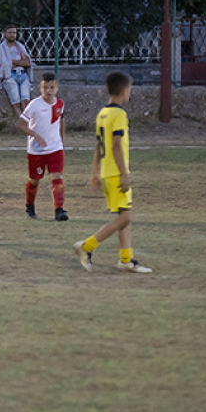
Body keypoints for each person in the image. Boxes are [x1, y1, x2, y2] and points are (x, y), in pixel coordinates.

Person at [74, 71, 152, 273]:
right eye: (130, 89)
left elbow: (99, 145)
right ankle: (86, 246)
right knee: (125, 218)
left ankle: (126, 259)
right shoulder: (119, 114)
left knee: (124, 214)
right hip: (116, 173)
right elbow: (116, 145)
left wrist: (94, 172)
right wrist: (124, 174)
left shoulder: (102, 113)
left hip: (106, 172)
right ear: (124, 91)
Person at [17, 72, 67, 221]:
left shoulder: (60, 104)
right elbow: (21, 124)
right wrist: (36, 136)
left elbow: (61, 121)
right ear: (40, 88)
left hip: (55, 148)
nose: (48, 90)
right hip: (36, 151)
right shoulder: (34, 105)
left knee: (57, 177)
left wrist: (61, 140)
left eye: (52, 87)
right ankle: (30, 206)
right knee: (35, 180)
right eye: (45, 87)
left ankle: (59, 210)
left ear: (57, 88)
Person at [0, 24, 34, 116]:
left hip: (23, 75)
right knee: (16, 102)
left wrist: (13, 62)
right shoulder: (0, 49)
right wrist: (20, 62)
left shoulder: (20, 47)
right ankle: (21, 121)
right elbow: (2, 66)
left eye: (14, 33)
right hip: (9, 76)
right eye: (10, 33)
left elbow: (28, 63)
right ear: (5, 34)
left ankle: (27, 121)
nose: (12, 35)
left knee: (25, 101)